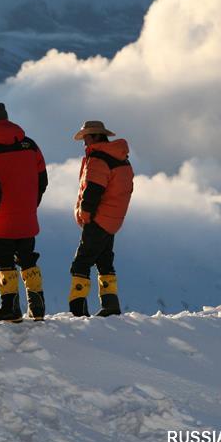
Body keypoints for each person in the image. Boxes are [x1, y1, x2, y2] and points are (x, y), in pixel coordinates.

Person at [0, 103, 48, 322]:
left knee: (4, 261)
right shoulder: (30, 144)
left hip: (0, 216)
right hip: (27, 215)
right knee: (28, 258)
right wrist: (31, 204)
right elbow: (43, 179)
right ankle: (37, 307)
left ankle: (10, 307)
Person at [70, 121, 134, 317]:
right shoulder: (121, 158)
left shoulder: (99, 159)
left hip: (98, 218)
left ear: (97, 136)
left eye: (87, 137)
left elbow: (93, 191)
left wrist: (85, 214)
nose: (84, 143)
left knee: (81, 263)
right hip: (113, 219)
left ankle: (78, 310)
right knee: (105, 261)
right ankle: (111, 305)